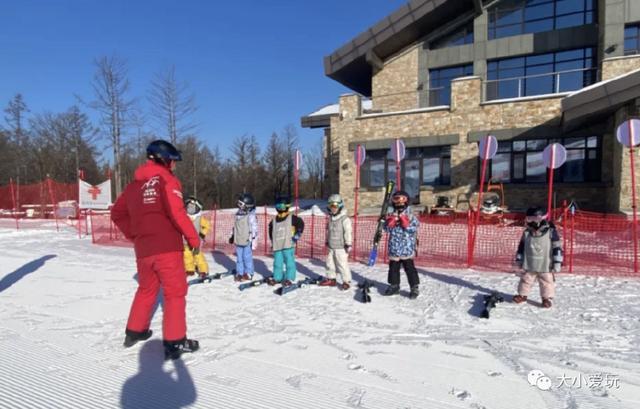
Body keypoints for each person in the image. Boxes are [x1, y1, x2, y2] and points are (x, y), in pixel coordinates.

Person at [111, 139, 200, 360]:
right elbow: (177, 212)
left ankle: (134, 332)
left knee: (146, 290)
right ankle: (175, 342)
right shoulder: (167, 181)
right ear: (163, 160)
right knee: (174, 293)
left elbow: (117, 214)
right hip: (167, 248)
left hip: (144, 250)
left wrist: (135, 235)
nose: (174, 165)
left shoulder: (132, 187)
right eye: (172, 161)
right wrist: (193, 238)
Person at [513, 207, 562, 308]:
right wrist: (519, 258)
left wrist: (557, 262)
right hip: (530, 263)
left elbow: (557, 247)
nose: (533, 222)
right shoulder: (527, 232)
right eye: (530, 219)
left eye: (535, 219)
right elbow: (521, 247)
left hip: (545, 263)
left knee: (547, 281)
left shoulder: (550, 232)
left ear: (543, 218)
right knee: (526, 279)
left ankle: (546, 298)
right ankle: (522, 295)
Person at [383, 190, 420, 299]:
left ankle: (414, 287)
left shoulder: (410, 215)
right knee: (393, 268)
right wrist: (389, 223)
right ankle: (394, 286)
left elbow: (414, 228)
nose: (399, 203)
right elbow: (386, 229)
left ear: (406, 201)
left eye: (402, 200)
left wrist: (406, 223)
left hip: (406, 248)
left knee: (410, 268)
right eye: (396, 200)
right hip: (394, 248)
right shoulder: (391, 214)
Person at [267, 197, 304, 286]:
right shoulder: (274, 220)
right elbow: (271, 231)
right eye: (278, 206)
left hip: (288, 245)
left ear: (287, 206)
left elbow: (301, 224)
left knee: (289, 262)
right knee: (277, 263)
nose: (280, 208)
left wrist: (297, 235)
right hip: (278, 246)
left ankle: (290, 278)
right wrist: (272, 241)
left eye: (282, 206)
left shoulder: (292, 218)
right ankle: (277, 277)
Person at [319, 194, 353, 290]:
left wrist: (348, 243)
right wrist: (326, 241)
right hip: (331, 246)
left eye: (335, 206)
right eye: (331, 206)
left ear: (340, 206)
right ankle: (331, 279)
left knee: (342, 264)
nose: (333, 208)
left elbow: (348, 232)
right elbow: (328, 231)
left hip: (341, 247)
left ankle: (346, 281)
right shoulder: (330, 218)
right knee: (329, 263)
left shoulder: (344, 219)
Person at [229, 193, 258, 282]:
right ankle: (240, 272)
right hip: (238, 240)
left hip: (247, 240)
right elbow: (235, 227)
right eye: (239, 204)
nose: (239, 206)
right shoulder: (238, 215)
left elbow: (254, 229)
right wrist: (232, 236)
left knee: (247, 257)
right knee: (239, 258)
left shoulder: (251, 216)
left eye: (241, 204)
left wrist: (254, 242)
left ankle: (249, 272)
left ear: (247, 205)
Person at [183, 196, 210, 280]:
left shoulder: (199, 218)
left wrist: (202, 233)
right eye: (188, 207)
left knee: (197, 255)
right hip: (185, 241)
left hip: (196, 241)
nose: (189, 209)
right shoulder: (184, 217)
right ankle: (189, 269)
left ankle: (203, 270)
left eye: (192, 207)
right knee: (187, 255)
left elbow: (206, 226)